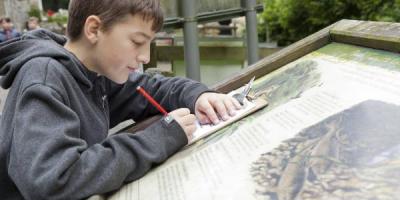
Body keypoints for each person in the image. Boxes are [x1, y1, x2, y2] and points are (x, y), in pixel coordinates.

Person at [0, 0, 241, 199]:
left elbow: (150, 89)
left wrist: (198, 95)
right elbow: (52, 181)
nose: (145, 57)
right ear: (94, 29)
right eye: (137, 42)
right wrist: (159, 138)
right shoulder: (44, 79)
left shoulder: (96, 75)